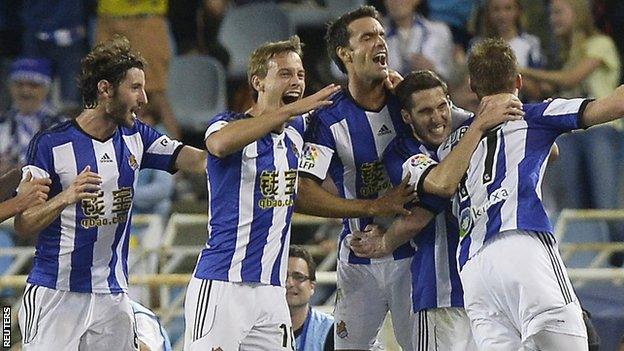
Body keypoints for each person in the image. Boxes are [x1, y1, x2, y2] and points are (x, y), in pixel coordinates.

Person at [370, 38, 624, 350]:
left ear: (472, 88)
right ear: (518, 80)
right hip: (521, 242)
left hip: (474, 271)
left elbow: (432, 201)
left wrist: (384, 241)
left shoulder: (452, 148)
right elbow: (615, 105)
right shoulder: (534, 117)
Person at [296, 5, 482, 350]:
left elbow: (468, 123)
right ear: (345, 53)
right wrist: (374, 205)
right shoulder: (327, 117)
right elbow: (304, 194)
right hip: (359, 254)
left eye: (381, 34)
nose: (380, 41)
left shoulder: (408, 99)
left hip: (415, 256)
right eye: (367, 36)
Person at [15, 36, 206, 350]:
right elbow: (24, 223)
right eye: (135, 88)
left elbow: (199, 159)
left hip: (112, 296)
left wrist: (254, 130)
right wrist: (65, 197)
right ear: (105, 89)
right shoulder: (50, 144)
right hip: (55, 292)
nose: (144, 98)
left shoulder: (137, 136)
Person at [184, 35, 341, 350]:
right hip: (223, 284)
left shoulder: (297, 137)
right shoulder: (227, 125)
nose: (295, 81)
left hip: (271, 291)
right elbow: (217, 145)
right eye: (284, 74)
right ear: (257, 81)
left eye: (299, 74)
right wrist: (291, 111)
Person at [351, 70, 522, 350]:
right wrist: (384, 242)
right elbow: (440, 189)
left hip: (492, 291)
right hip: (442, 291)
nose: (437, 118)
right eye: (425, 111)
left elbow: (545, 153)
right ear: (407, 117)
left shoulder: (470, 126)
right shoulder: (401, 153)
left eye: (442, 107)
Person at [96, 0, 182, 139]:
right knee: (105, 93)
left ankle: (176, 156)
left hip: (145, 20)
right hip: (107, 20)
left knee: (155, 93)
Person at [0, 58, 65, 176]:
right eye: (19, 85)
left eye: (33, 85)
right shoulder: (2, 124)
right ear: (10, 87)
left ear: (47, 88)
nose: (25, 91)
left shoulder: (63, 127)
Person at [471, 0, 545, 101]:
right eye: (496, 9)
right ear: (488, 13)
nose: (502, 15)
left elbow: (537, 89)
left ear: (518, 11)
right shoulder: (477, 45)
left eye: (508, 8)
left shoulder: (530, 43)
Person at [383, 0, 456, 82]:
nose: (396, 2)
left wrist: (433, 70)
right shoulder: (377, 35)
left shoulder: (439, 32)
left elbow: (451, 75)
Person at [287, 245, 334, 351]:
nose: (289, 283)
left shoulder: (331, 330)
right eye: (283, 276)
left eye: (298, 277)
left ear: (312, 286)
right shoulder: (257, 329)